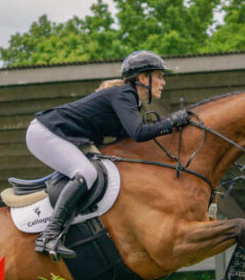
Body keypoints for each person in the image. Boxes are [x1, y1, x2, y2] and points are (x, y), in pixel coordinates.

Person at [26, 50, 189, 260]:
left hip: (60, 135)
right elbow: (139, 134)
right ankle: (48, 236)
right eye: (159, 76)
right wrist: (172, 122)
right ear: (141, 78)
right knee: (85, 172)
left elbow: (127, 142)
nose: (163, 82)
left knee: (94, 170)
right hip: (45, 132)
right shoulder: (124, 94)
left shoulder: (130, 102)